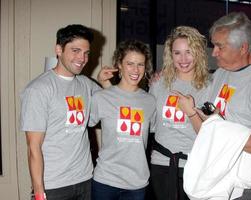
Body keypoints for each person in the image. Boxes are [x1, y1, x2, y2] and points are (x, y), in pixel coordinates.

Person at [176, 12, 251, 200]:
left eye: (219, 46)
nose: (213, 52)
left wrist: (221, 130)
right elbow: (208, 131)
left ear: (243, 48)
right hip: (222, 174)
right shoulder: (221, 74)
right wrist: (192, 114)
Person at [20, 24, 101, 200]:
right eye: (75, 50)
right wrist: (39, 192)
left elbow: (112, 101)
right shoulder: (39, 89)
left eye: (86, 53)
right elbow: (33, 147)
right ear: (58, 49)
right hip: (54, 185)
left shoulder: (86, 84)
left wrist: (105, 82)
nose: (82, 58)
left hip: (85, 179)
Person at [89, 39, 156, 200]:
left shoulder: (150, 101)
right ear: (119, 64)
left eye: (140, 64)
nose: (136, 70)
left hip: (137, 184)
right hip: (105, 180)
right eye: (130, 64)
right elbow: (83, 129)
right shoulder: (101, 97)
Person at [149, 26, 209, 200]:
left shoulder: (210, 86)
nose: (183, 59)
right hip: (161, 163)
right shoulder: (159, 83)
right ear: (170, 55)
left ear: (198, 53)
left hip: (195, 165)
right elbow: (150, 122)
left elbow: (212, 132)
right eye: (177, 53)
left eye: (188, 52)